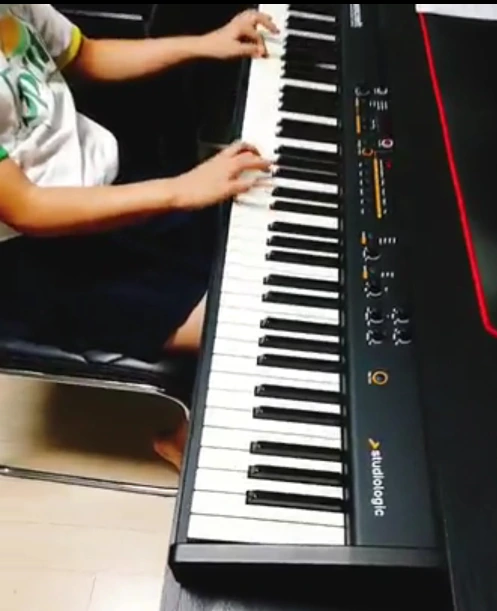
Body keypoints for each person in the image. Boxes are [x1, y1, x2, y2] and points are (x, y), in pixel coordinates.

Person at [0, 4, 278, 470]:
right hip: (39, 254)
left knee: (265, 239)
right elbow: (27, 208)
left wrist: (207, 43)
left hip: (106, 178)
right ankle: (190, 441)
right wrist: (180, 190)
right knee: (251, 315)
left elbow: (88, 55)